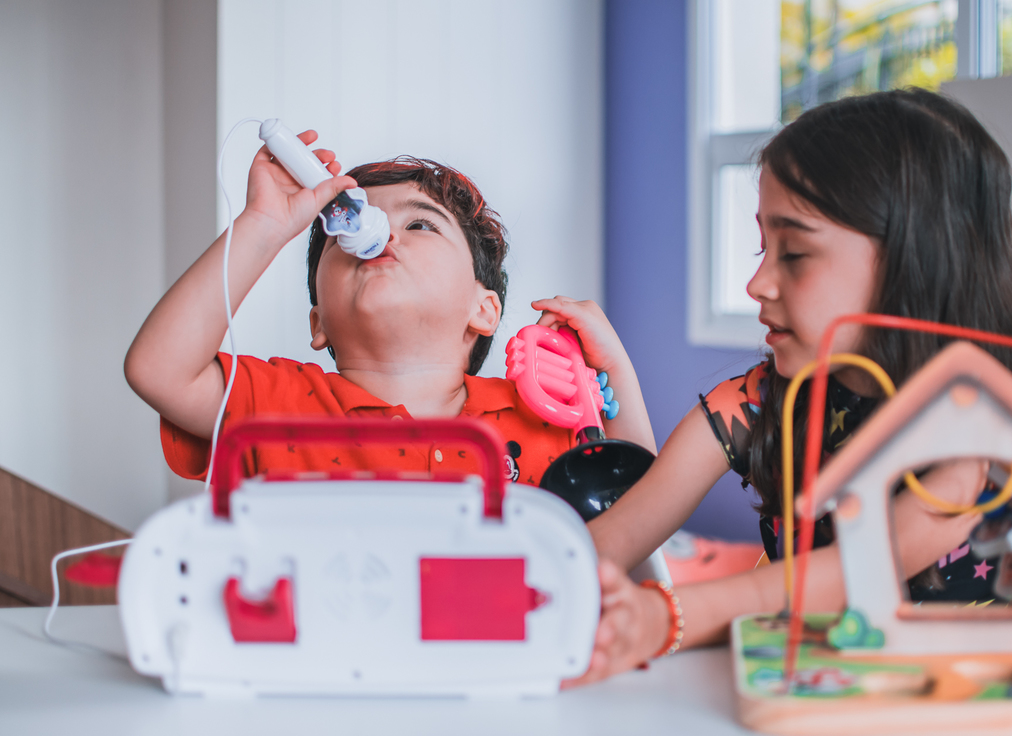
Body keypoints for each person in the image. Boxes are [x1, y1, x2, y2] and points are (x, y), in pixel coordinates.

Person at [572, 89, 1012, 684]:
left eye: (794, 252)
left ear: (914, 263)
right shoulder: (754, 403)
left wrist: (665, 616)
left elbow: (851, 574)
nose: (757, 282)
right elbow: (609, 540)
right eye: (762, 247)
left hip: (958, 722)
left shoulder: (989, 429)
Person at [125, 132, 653, 483]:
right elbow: (158, 371)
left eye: (420, 223)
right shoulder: (275, 404)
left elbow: (635, 511)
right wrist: (262, 224)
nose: (379, 235)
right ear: (318, 323)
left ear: (484, 310)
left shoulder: (541, 419)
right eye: (343, 232)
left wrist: (615, 369)